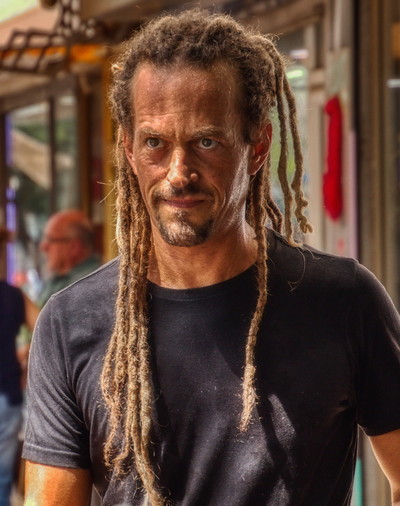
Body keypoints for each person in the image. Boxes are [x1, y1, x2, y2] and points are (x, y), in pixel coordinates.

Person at [22, 9, 400, 506]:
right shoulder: (71, 322)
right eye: (155, 143)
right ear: (129, 150)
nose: (179, 173)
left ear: (258, 145)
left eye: (206, 142)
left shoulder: (343, 301)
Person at [0, 227, 38, 506]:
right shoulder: (13, 296)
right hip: (6, 395)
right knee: (1, 478)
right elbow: (47, 331)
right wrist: (27, 362)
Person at [37, 209, 100, 307]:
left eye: (50, 240)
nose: (43, 247)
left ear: (74, 247)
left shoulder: (89, 284)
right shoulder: (59, 277)